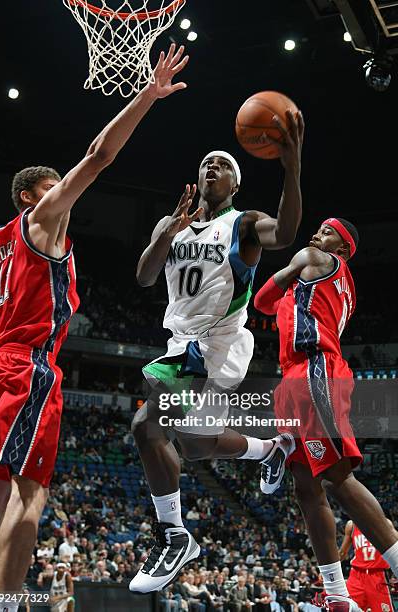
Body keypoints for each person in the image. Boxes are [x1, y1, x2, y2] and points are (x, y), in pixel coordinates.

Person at [0, 43, 189, 612]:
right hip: (27, 368)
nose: (65, 193)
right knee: (28, 492)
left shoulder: (2, 242)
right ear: (32, 195)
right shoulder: (40, 221)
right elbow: (99, 156)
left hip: (1, 362)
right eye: (56, 186)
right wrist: (147, 96)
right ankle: (4, 602)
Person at [130, 110, 305, 593]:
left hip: (215, 344)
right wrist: (167, 231)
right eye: (206, 162)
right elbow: (145, 277)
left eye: (222, 165)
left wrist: (290, 167)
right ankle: (271, 448)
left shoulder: (243, 224)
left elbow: (286, 234)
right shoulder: (175, 224)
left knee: (147, 427)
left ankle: (174, 534)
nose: (212, 167)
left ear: (234, 182)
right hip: (180, 341)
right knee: (197, 446)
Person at [254, 217, 398, 611]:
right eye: (319, 227)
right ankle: (336, 592)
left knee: (335, 476)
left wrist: (287, 277)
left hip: (315, 368)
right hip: (297, 374)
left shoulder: (314, 256)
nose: (319, 233)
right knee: (305, 484)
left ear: (343, 248)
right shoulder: (340, 283)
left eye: (329, 231)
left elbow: (262, 301)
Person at [339, 519, 395, 611]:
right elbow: (342, 552)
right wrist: (329, 568)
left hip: (377, 575)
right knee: (348, 608)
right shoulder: (351, 525)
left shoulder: (384, 523)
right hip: (356, 575)